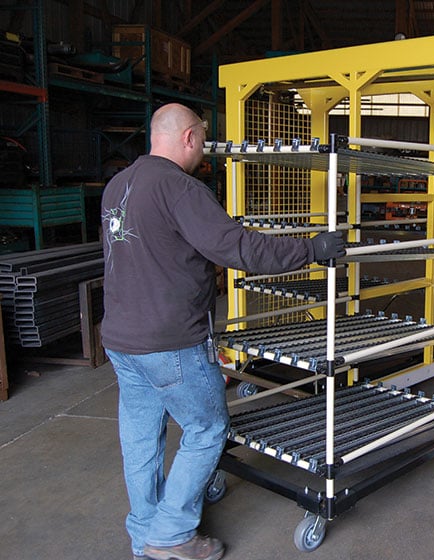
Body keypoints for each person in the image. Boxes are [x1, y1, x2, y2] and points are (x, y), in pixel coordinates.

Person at [101, 103, 345, 560]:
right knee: (207, 429)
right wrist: (312, 248)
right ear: (190, 138)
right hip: (171, 341)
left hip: (122, 340)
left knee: (140, 438)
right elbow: (239, 248)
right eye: (203, 140)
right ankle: (171, 537)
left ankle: (145, 534)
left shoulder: (118, 185)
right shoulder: (179, 188)